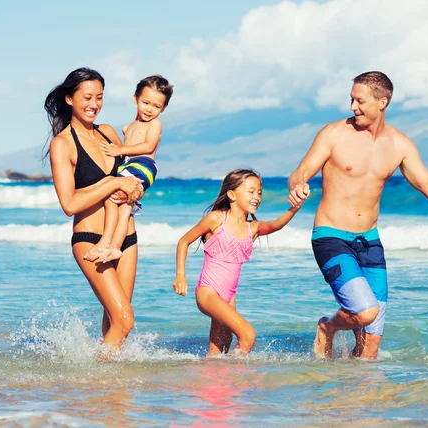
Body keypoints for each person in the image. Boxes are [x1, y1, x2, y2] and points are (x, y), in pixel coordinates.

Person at [288, 71, 428, 360]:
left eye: (359, 101)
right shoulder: (334, 134)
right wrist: (298, 186)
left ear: (382, 102)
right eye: (351, 99)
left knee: (370, 349)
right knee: (365, 311)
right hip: (331, 236)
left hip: (370, 241)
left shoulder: (399, 144)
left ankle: (361, 402)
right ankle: (328, 328)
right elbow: (301, 171)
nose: (352, 107)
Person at [45, 67, 144, 355]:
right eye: (87, 97)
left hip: (126, 238)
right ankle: (94, 377)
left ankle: (109, 394)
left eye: (99, 97)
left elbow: (131, 179)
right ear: (69, 99)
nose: (94, 104)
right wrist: (111, 182)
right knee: (125, 321)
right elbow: (69, 204)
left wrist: (134, 187)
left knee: (116, 320)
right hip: (90, 239)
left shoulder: (109, 133)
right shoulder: (62, 144)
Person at [173, 169, 306, 356]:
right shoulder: (216, 219)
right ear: (232, 194)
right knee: (248, 335)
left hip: (229, 297)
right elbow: (184, 241)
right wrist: (180, 275)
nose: (256, 197)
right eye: (250, 191)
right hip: (208, 293)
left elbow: (276, 225)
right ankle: (235, 375)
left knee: (219, 349)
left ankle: (214, 380)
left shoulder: (254, 228)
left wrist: (294, 208)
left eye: (259, 192)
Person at [84, 75, 174, 263]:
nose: (150, 109)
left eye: (157, 106)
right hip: (131, 166)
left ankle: (105, 241)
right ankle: (115, 248)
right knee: (124, 206)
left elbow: (148, 146)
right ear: (136, 99)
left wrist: (120, 150)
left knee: (110, 195)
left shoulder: (155, 124)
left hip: (143, 165)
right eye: (145, 102)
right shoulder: (128, 127)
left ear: (164, 108)